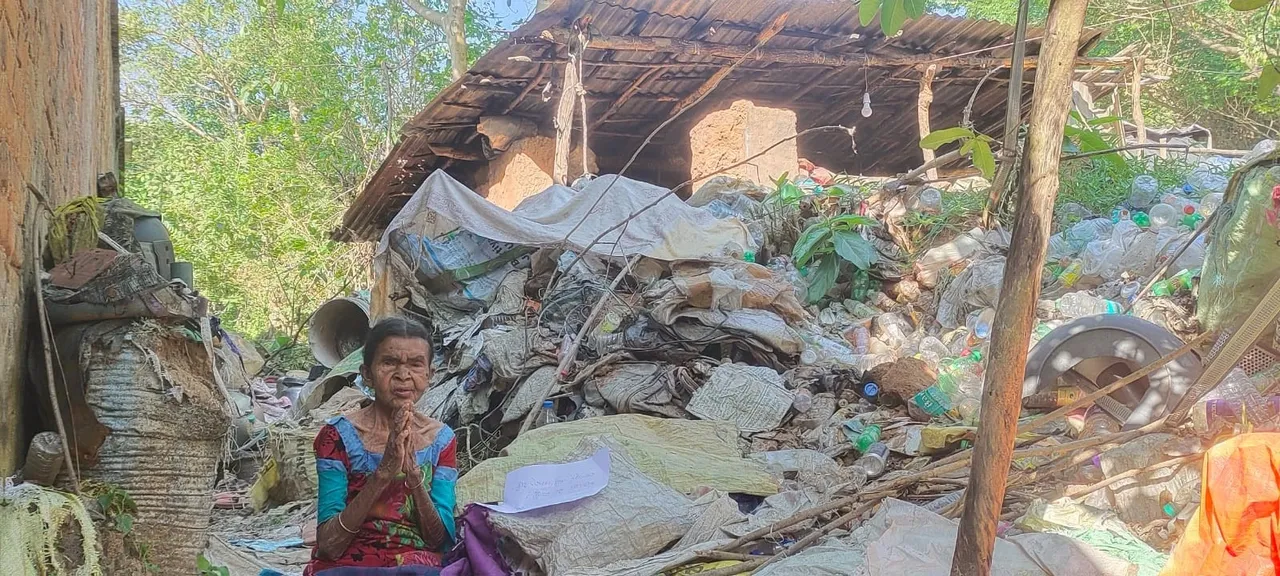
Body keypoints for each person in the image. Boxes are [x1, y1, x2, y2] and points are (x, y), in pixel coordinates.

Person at [305, 317, 457, 576]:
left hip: (419, 567)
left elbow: (440, 541)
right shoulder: (337, 437)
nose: (403, 375)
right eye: (389, 362)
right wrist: (383, 474)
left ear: (429, 375)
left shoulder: (441, 440)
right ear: (367, 374)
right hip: (349, 566)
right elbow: (329, 545)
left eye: (416, 364)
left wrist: (414, 477)